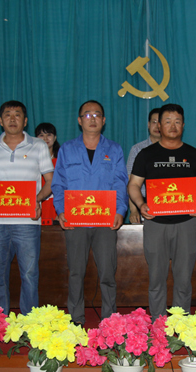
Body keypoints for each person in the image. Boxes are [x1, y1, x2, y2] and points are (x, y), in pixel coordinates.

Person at [127, 103, 196, 320]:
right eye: (167, 121)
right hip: (155, 223)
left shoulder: (193, 154)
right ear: (159, 126)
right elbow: (133, 184)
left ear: (183, 125)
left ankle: (180, 324)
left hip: (186, 223)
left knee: (183, 279)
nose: (173, 126)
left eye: (177, 122)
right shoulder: (146, 154)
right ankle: (158, 323)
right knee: (156, 278)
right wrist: (141, 204)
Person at [51, 100, 128, 325]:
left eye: (97, 115)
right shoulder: (67, 149)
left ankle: (109, 321)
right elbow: (59, 184)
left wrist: (120, 210)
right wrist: (61, 210)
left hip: (106, 221)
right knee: (76, 273)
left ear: (104, 120)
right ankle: (76, 320)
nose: (92, 119)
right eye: (87, 115)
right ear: (79, 120)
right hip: (75, 221)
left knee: (107, 273)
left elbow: (120, 182)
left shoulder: (114, 149)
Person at [0, 100, 54, 315]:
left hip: (28, 222)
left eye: (17, 114)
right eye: (8, 115)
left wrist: (37, 200)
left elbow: (50, 181)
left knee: (29, 275)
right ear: (0, 121)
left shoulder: (38, 145)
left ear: (25, 120)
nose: (12, 119)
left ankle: (29, 319)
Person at [126, 108, 161, 224]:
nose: (157, 126)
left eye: (160, 122)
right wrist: (134, 210)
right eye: (154, 122)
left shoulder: (173, 149)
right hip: (143, 203)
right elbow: (130, 182)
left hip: (167, 201)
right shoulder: (137, 149)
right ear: (148, 124)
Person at [35, 123, 61, 222]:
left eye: (49, 135)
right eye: (41, 135)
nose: (45, 138)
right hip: (37, 204)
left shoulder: (62, 160)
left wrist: (61, 211)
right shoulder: (31, 160)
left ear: (55, 137)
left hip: (55, 205)